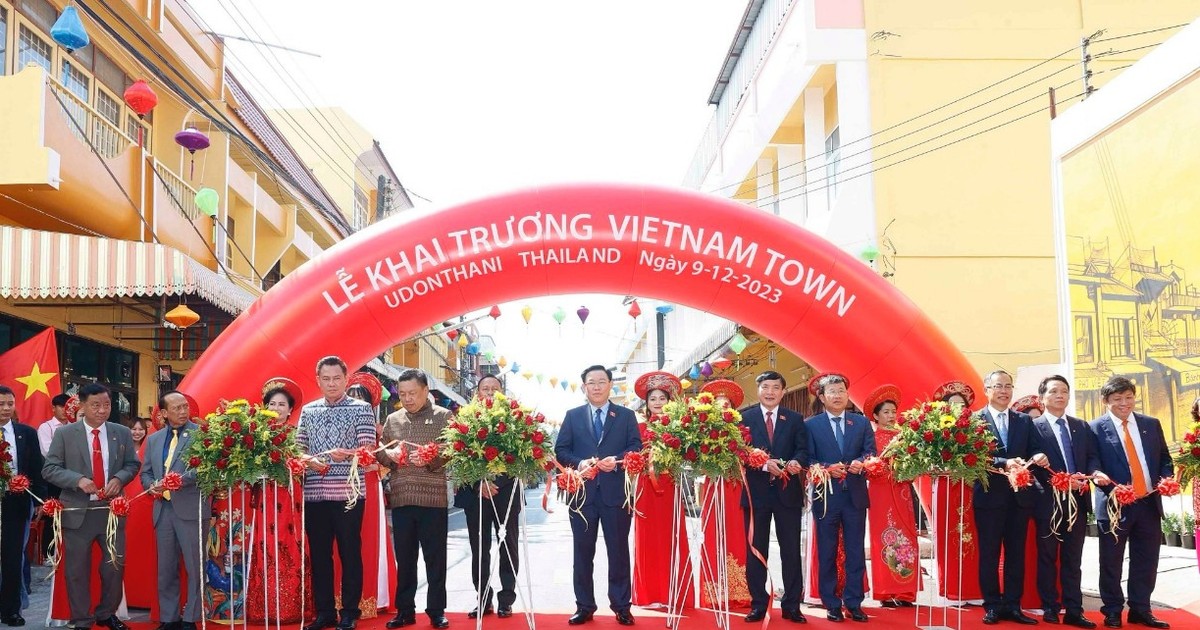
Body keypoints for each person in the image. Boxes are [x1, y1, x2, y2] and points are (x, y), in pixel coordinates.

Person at [42, 382, 140, 630]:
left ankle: (106, 614)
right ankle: (82, 619)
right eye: (95, 405)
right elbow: (50, 469)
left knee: (114, 567)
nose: (102, 410)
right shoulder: (65, 434)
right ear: (82, 406)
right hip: (77, 513)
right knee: (76, 571)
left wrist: (119, 479)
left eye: (107, 405)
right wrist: (78, 480)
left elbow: (132, 464)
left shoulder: (121, 432)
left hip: (111, 512)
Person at [555, 365, 642, 626]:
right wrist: (581, 463)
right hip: (582, 496)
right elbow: (561, 450)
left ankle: (621, 606)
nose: (596, 386)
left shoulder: (626, 416)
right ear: (583, 387)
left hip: (616, 495)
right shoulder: (573, 416)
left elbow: (635, 447)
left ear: (610, 385)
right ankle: (584, 606)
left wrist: (615, 461)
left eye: (601, 381)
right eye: (591, 382)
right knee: (582, 554)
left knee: (618, 553)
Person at [296, 356, 378, 630]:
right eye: (326, 379)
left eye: (336, 378)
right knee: (319, 555)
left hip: (349, 494)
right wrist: (309, 460)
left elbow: (368, 453)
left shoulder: (362, 408)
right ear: (318, 380)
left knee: (350, 553)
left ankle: (350, 611)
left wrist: (349, 454)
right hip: (315, 494)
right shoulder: (308, 411)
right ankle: (325, 612)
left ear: (346, 379)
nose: (331, 383)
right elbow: (297, 450)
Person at [1089, 376, 1173, 629]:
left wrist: (1167, 478)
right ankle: (1112, 610)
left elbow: (1164, 458)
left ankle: (1141, 608)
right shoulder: (1094, 428)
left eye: (1128, 398)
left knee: (1146, 560)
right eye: (1117, 399)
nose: (1124, 404)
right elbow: (1091, 461)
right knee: (1111, 561)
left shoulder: (1150, 423)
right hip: (1115, 505)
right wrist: (1096, 474)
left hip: (1147, 503)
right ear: (1105, 401)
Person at [1028, 376, 1106, 628]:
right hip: (1049, 503)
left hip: (1078, 501)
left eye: (1064, 391)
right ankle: (1050, 606)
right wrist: (1059, 480)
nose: (1060, 395)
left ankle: (1074, 609)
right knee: (1048, 557)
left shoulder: (1081, 426)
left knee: (1074, 559)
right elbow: (1029, 466)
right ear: (1042, 398)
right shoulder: (1032, 426)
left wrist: (1092, 474)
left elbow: (1092, 457)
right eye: (1053, 391)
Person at [378, 369, 452, 630]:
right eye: (403, 394)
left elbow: (452, 450)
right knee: (406, 559)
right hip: (401, 498)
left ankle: (436, 611)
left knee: (435, 558)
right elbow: (381, 452)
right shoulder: (393, 419)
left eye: (413, 393)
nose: (408, 399)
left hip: (433, 500)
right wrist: (391, 457)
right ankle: (405, 610)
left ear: (425, 391)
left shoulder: (444, 417)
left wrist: (432, 458)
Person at [974, 370, 1043, 626]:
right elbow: (972, 457)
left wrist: (1037, 456)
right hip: (989, 498)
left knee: (1016, 555)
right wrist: (1004, 462)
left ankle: (1013, 605)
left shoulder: (1024, 421)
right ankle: (992, 605)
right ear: (987, 389)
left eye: (1008, 386)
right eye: (998, 386)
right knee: (989, 555)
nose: (1003, 391)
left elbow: (1035, 449)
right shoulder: (974, 421)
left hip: (1020, 499)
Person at [740, 370, 808, 624]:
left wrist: (795, 462)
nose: (770, 392)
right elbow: (742, 453)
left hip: (787, 493)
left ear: (783, 391)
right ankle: (758, 603)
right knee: (756, 549)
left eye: (775, 387)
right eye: (765, 386)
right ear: (758, 390)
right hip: (755, 494)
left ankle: (792, 605)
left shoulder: (795, 418)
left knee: (790, 550)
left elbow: (803, 450)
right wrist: (762, 463)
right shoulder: (744, 419)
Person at [805, 374, 873, 623]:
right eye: (831, 392)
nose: (837, 395)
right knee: (827, 550)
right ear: (822, 398)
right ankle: (831, 602)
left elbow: (870, 452)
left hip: (855, 496)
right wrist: (825, 467)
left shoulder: (861, 423)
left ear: (847, 394)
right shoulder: (810, 425)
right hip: (826, 497)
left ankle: (854, 602)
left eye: (841, 390)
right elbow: (807, 459)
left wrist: (861, 462)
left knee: (855, 551)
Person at [454, 375, 522, 620]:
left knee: (508, 546)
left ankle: (506, 599)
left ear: (502, 392)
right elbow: (459, 458)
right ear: (477, 393)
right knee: (479, 549)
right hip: (475, 496)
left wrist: (495, 482)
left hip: (506, 494)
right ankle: (483, 598)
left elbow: (520, 458)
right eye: (486, 388)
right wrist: (479, 484)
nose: (490, 392)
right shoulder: (465, 419)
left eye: (495, 388)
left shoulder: (514, 420)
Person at [245, 377, 311, 624]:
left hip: (290, 495)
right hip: (265, 496)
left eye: (282, 404)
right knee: (265, 542)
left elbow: (307, 463)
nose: (276, 409)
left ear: (291, 409)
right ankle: (264, 607)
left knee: (290, 541)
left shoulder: (298, 435)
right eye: (272, 404)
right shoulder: (255, 435)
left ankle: (293, 606)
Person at [140, 391, 203, 630]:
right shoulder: (154, 439)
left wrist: (177, 480)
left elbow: (205, 469)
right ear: (163, 413)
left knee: (194, 567)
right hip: (163, 509)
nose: (183, 411)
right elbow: (145, 472)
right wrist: (151, 486)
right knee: (166, 568)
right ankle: (170, 618)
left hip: (190, 507)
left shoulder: (201, 435)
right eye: (176, 408)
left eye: (185, 406)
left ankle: (191, 619)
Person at [630, 371, 689, 610]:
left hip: (670, 486)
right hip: (646, 487)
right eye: (652, 398)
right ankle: (648, 594)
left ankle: (674, 591)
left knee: (672, 536)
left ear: (669, 401)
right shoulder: (637, 427)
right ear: (646, 403)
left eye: (661, 398)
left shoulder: (680, 427)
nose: (657, 403)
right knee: (647, 539)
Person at [343, 372, 397, 620]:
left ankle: (373, 597)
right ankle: (340, 599)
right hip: (339, 487)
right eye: (350, 397)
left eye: (360, 399)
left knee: (367, 539)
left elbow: (390, 460)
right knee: (341, 542)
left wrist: (377, 466)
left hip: (369, 487)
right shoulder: (336, 427)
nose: (355, 403)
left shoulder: (379, 430)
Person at [863, 384, 920, 608]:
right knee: (883, 538)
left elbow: (915, 464)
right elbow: (868, 463)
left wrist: (909, 470)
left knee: (906, 536)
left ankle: (905, 591)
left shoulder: (905, 437)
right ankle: (886, 592)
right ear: (875, 416)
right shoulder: (870, 437)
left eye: (892, 412)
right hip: (880, 491)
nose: (890, 416)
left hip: (902, 490)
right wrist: (878, 466)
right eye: (885, 412)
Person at [697, 379, 750, 610]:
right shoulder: (701, 430)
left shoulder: (742, 431)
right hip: (713, 486)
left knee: (738, 533)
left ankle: (740, 591)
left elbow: (747, 456)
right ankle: (714, 592)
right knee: (713, 533)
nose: (723, 408)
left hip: (736, 485)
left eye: (726, 404)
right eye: (718, 405)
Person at [0, 385, 45, 626]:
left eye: (10, 403)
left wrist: (39, 498)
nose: (6, 408)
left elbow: (37, 467)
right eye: (1, 404)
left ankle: (11, 609)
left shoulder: (25, 433)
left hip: (16, 501)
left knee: (13, 556)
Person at [123, 417, 158, 612]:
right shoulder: (123, 448)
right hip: (126, 501)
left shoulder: (150, 448)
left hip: (145, 502)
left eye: (140, 429)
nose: (137, 432)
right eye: (133, 429)